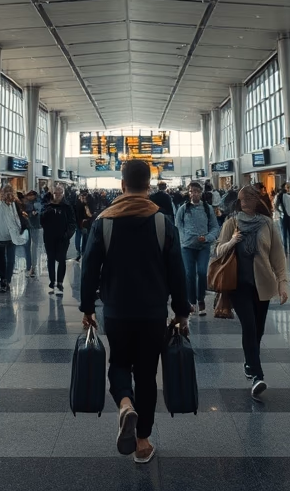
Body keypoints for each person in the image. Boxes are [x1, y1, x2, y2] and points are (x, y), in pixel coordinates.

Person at [80, 159, 190, 464]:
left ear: (122, 185)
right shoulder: (163, 221)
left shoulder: (105, 220)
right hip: (153, 312)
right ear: (150, 185)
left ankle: (125, 404)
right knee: (145, 374)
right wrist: (181, 312)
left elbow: (89, 269)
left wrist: (87, 308)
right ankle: (142, 441)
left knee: (118, 363)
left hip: (116, 310)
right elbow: (177, 272)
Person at [214, 184, 288, 402]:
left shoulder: (267, 224)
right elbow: (217, 250)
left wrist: (282, 283)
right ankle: (257, 375)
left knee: (258, 329)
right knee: (249, 326)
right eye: (241, 199)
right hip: (238, 285)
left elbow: (278, 256)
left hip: (263, 284)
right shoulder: (231, 223)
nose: (244, 202)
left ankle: (249, 362)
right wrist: (232, 241)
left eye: (248, 198)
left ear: (257, 200)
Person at [175, 181, 220, 316]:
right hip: (187, 247)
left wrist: (207, 237)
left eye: (196, 191)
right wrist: (183, 238)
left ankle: (201, 299)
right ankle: (191, 301)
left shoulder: (208, 209)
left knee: (201, 272)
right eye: (191, 191)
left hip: (203, 247)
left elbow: (215, 227)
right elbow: (178, 226)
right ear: (188, 193)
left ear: (201, 193)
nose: (194, 194)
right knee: (189, 274)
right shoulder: (183, 209)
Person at [41, 188, 75, 296]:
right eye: (56, 193)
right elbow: (41, 220)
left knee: (61, 260)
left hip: (62, 238)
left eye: (60, 193)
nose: (58, 195)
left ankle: (60, 282)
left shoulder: (67, 207)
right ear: (53, 194)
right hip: (49, 238)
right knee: (50, 259)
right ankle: (52, 280)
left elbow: (72, 222)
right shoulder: (47, 206)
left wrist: (67, 235)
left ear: (63, 194)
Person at [0, 185, 22, 292]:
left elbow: (17, 219)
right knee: (1, 261)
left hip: (12, 237)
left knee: (11, 260)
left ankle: (8, 280)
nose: (8, 194)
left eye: (10, 191)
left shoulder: (14, 205)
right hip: (0, 237)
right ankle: (3, 281)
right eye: (6, 191)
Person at [23, 190, 42, 278]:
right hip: (29, 226)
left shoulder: (37, 203)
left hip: (34, 226)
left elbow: (38, 212)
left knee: (33, 247)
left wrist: (31, 214)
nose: (28, 197)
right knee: (28, 247)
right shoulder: (27, 203)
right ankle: (29, 266)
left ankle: (32, 267)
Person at [275, 182, 290, 254]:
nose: (288, 188)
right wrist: (281, 212)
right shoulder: (281, 195)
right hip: (284, 216)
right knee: (284, 233)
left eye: (289, 187)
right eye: (286, 187)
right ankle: (285, 248)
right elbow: (276, 206)